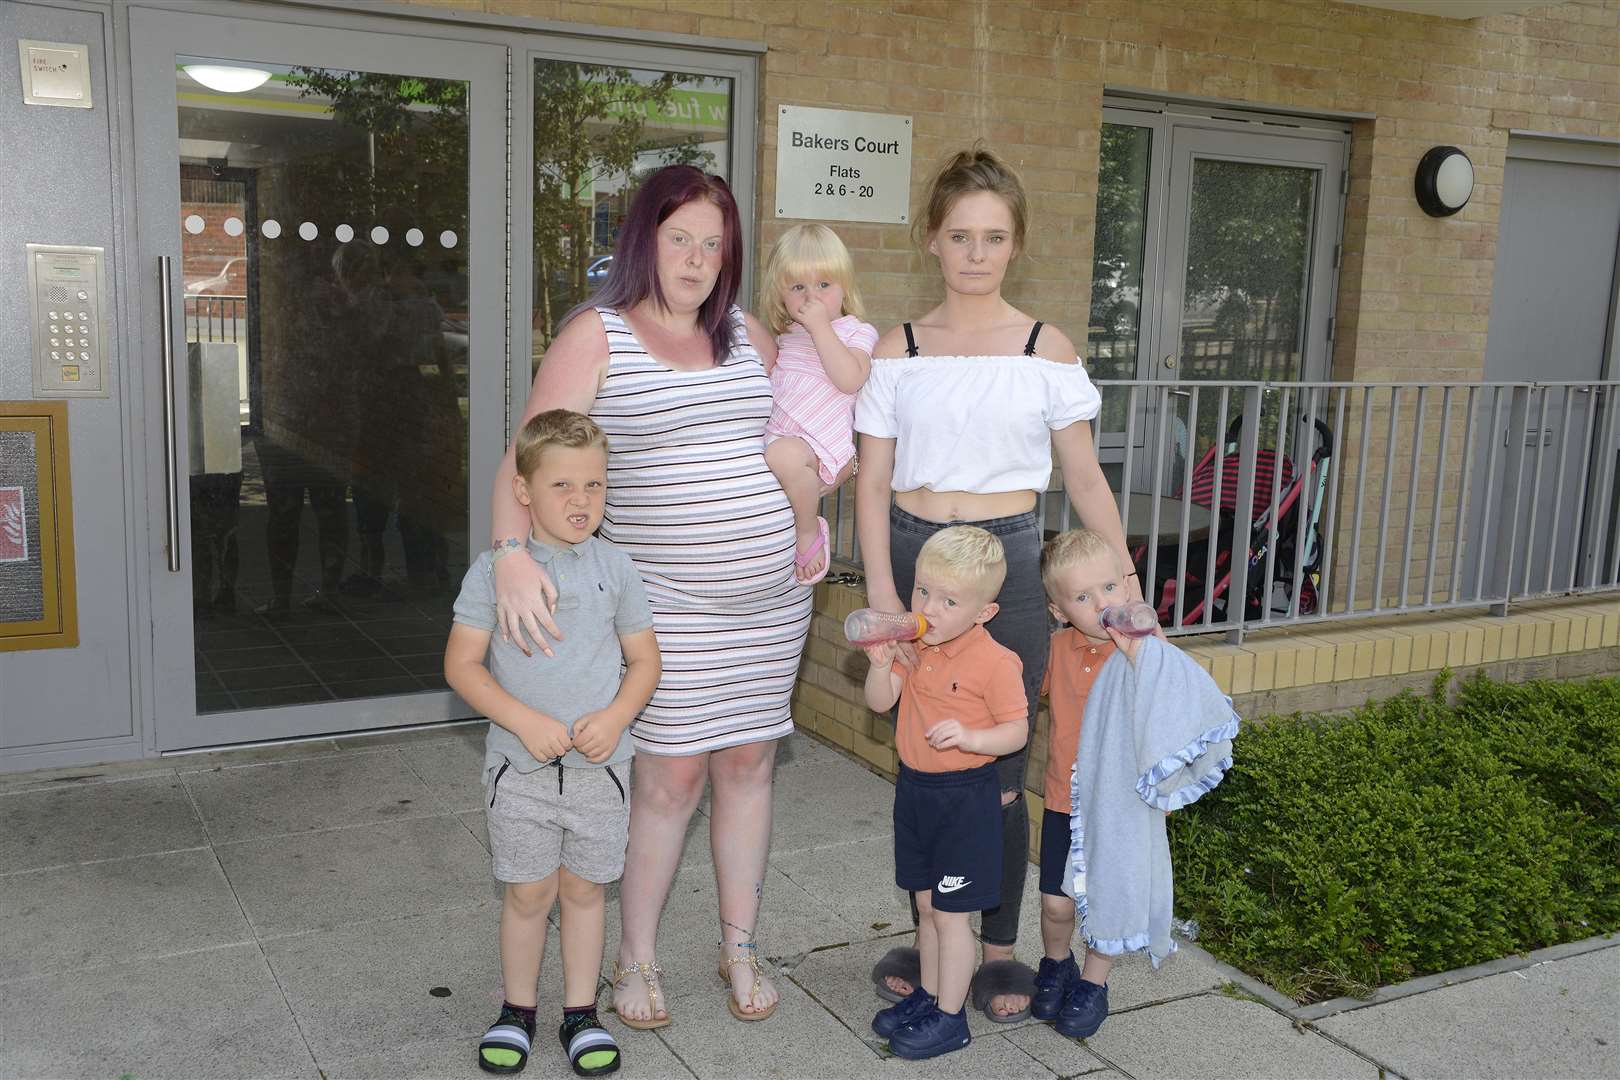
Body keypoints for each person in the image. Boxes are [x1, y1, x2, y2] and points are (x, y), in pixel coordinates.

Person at [488, 165, 807, 1028]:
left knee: (749, 765)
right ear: (644, 240)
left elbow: (804, 427)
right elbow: (525, 458)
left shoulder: (747, 335)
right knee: (668, 779)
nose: (697, 259)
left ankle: (739, 945)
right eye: (680, 239)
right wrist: (512, 557)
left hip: (770, 604)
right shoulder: (598, 336)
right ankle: (634, 961)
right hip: (665, 606)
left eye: (713, 243)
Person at [855, 147, 1142, 1022]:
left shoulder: (1043, 348)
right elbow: (869, 483)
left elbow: (1086, 481)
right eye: (959, 235)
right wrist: (882, 598)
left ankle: (1002, 949)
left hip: (1012, 559)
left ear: (1015, 246)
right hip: (913, 552)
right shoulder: (895, 351)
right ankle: (936, 921)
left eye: (994, 236)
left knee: (1001, 754)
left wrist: (1125, 594)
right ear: (931, 242)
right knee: (922, 748)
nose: (976, 252)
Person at [445, 410, 660, 1077]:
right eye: (563, 485)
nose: (581, 501)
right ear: (523, 491)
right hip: (522, 771)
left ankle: (580, 1014)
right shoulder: (493, 574)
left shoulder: (618, 567)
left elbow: (646, 661)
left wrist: (618, 714)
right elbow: (462, 666)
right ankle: (516, 1010)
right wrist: (522, 720)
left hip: (601, 771)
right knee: (528, 894)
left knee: (586, 892)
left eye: (594, 486)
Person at [862, 526, 1029, 1060]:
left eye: (949, 601)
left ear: (984, 612)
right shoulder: (915, 647)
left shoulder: (996, 662)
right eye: (923, 592)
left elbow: (1017, 731)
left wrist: (972, 737)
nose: (929, 608)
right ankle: (931, 998)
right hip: (915, 792)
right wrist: (882, 664)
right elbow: (877, 704)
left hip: (964, 798)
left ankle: (951, 1018)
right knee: (928, 907)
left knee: (954, 916)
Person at [1032, 527, 1135, 1038]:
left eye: (1110, 588)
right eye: (1083, 596)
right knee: (1056, 901)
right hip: (1062, 800)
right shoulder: (1055, 651)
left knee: (1105, 900)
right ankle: (1057, 963)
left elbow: (1169, 720)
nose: (1102, 604)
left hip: (1118, 807)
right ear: (1058, 609)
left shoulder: (1140, 655)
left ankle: (1094, 983)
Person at [759, 223, 878, 584]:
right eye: (798, 287)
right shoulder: (787, 338)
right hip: (781, 435)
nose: (812, 297)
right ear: (780, 296)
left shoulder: (858, 332)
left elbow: (849, 379)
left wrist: (821, 329)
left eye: (824, 285)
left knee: (784, 457)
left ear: (845, 288)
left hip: (818, 443)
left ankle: (808, 531)